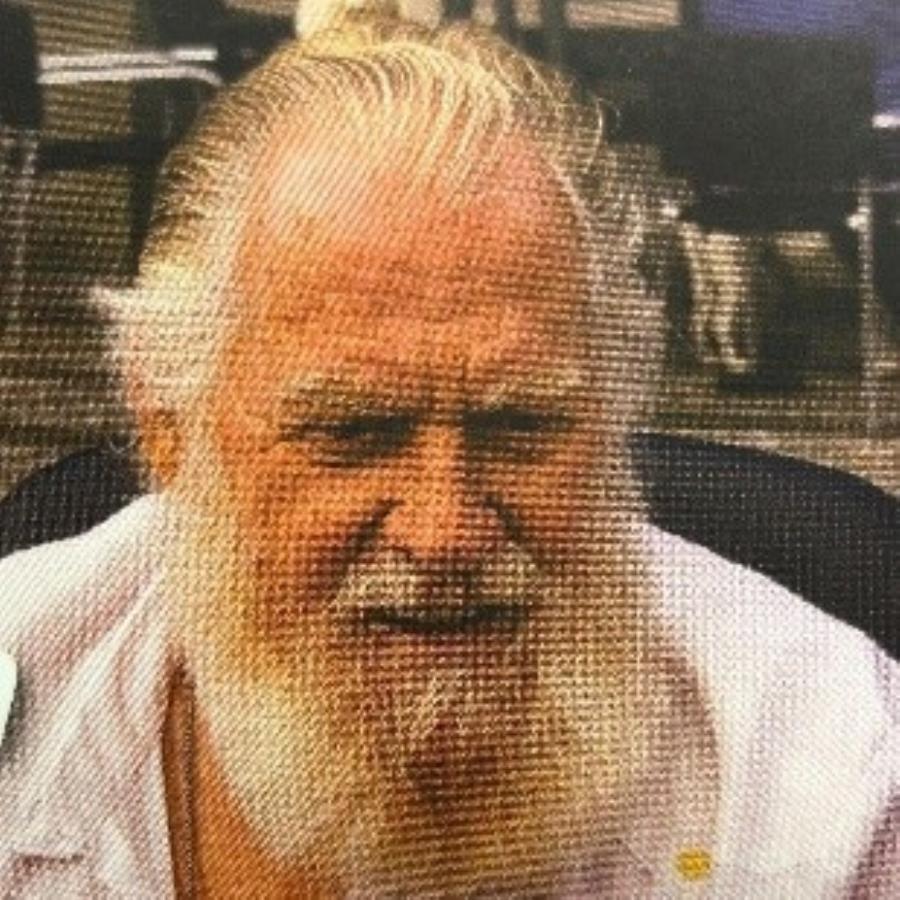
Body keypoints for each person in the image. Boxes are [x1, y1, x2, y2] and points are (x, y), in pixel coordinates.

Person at [0, 2, 897, 896]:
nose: (445, 533)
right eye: (354, 432)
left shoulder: (829, 785)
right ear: (167, 424)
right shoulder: (26, 684)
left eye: (522, 427)